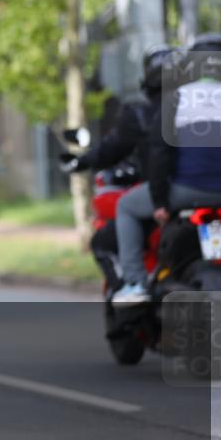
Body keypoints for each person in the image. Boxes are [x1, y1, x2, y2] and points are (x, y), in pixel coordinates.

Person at [113, 33, 221, 305]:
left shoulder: (177, 98)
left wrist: (160, 201)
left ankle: (135, 284)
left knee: (126, 207)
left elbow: (160, 154)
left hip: (187, 192)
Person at [59, 45, 175, 286]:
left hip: (170, 196)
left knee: (116, 221)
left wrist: (83, 160)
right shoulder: (200, 110)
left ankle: (134, 286)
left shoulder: (142, 114)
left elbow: (112, 150)